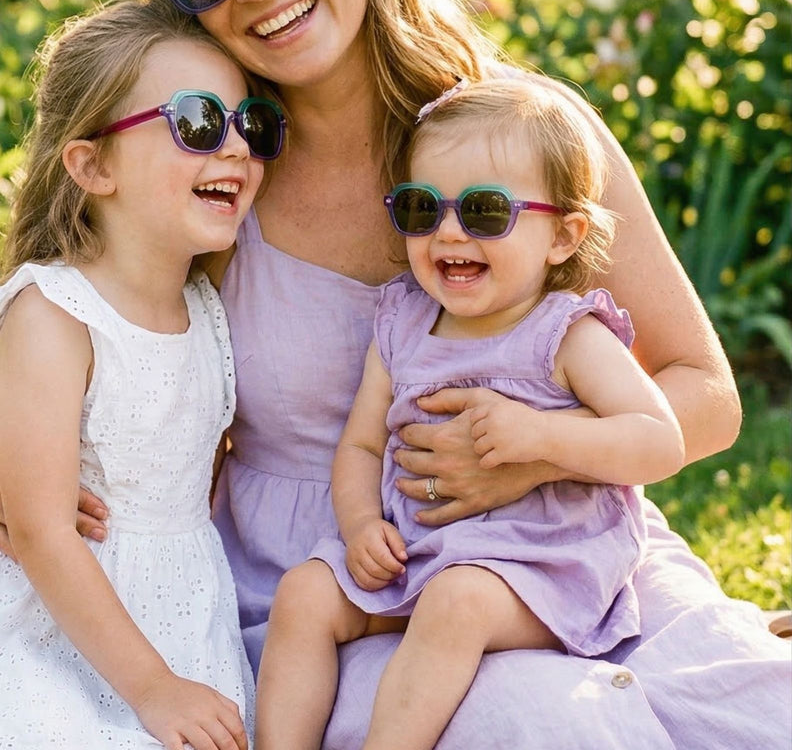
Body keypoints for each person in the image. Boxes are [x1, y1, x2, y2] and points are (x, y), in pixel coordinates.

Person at [0, 0, 791, 748]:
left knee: (758, 706)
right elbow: (72, 337)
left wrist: (531, 455)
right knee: (549, 726)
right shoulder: (212, 175)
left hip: (565, 555)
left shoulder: (521, 139)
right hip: (334, 591)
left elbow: (702, 394)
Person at [0, 0, 276, 748]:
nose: (239, 146)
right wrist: (155, 690)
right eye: (198, 123)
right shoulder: (57, 316)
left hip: (170, 619)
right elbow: (43, 531)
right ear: (92, 164)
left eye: (252, 122)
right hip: (27, 631)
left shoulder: (204, 306)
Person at [254, 77, 686, 749]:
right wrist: (361, 524)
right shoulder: (404, 320)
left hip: (540, 564)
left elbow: (660, 441)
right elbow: (363, 446)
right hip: (417, 550)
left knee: (456, 603)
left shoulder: (567, 334)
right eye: (423, 209)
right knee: (305, 594)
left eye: (484, 211)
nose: (448, 232)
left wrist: (541, 436)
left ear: (563, 236)